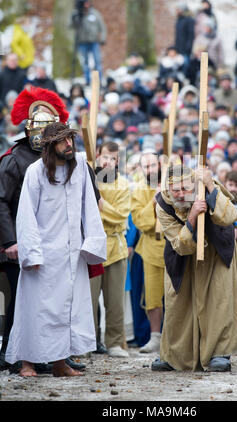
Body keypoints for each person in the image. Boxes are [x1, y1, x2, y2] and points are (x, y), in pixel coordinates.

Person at [4, 122, 107, 377]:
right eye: (62, 141)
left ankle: (61, 363)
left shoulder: (80, 167)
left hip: (71, 255)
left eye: (70, 139)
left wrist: (92, 242)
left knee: (67, 309)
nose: (69, 145)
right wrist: (32, 252)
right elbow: (26, 215)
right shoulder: (35, 172)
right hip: (43, 253)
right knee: (35, 309)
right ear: (50, 146)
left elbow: (90, 208)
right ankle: (27, 362)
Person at [0, 87, 83, 374]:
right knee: (23, 303)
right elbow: (4, 203)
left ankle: (56, 356)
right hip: (20, 241)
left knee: (59, 303)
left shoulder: (70, 163)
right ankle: (16, 357)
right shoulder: (16, 160)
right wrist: (11, 240)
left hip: (58, 243)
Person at [152, 164, 237, 372]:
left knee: (218, 302)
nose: (182, 194)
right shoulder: (163, 204)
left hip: (216, 251)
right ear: (168, 188)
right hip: (184, 252)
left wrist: (211, 186)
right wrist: (192, 216)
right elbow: (180, 244)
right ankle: (175, 355)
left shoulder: (208, 184)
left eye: (186, 188)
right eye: (176, 190)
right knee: (178, 304)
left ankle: (218, 354)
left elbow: (230, 216)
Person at [90, 141, 131, 358]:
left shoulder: (123, 184)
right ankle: (87, 342)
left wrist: (99, 204)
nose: (108, 162)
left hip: (115, 247)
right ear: (97, 156)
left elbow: (120, 216)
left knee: (115, 301)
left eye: (113, 159)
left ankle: (115, 342)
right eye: (105, 157)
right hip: (91, 248)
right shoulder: (86, 180)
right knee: (88, 298)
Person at [131, 151, 165, 353]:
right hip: (151, 246)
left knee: (175, 294)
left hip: (173, 245)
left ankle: (175, 337)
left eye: (153, 165)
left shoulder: (173, 184)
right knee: (152, 294)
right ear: (141, 170)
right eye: (146, 166)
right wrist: (154, 200)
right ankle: (155, 336)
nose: (150, 169)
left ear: (160, 164)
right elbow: (140, 221)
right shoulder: (139, 190)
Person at [71, 0, 107, 84]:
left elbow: (102, 27)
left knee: (97, 61)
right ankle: (87, 80)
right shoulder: (77, 14)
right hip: (82, 42)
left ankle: (98, 80)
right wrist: (75, 18)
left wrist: (102, 38)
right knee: (85, 62)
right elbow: (71, 26)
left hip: (94, 41)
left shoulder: (95, 14)